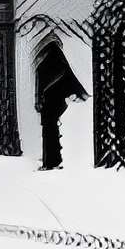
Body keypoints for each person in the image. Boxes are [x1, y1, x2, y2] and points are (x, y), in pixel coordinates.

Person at [33, 34, 86, 172]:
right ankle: (54, 161)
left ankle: (50, 162)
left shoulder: (42, 66)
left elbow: (39, 86)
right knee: (52, 130)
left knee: (49, 131)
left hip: (47, 104)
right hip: (56, 103)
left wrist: (38, 101)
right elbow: (70, 84)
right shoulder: (61, 65)